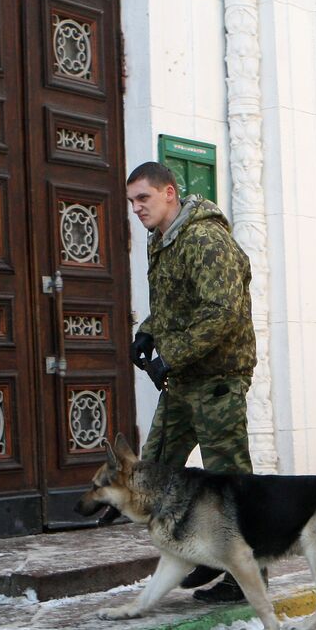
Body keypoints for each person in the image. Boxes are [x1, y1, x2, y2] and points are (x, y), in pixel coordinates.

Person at [124, 161, 258, 602]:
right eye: (132, 202)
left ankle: (243, 576)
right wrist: (148, 330)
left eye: (143, 198)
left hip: (218, 377)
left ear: (169, 192)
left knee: (228, 479)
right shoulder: (161, 239)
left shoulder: (204, 238)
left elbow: (223, 312)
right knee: (156, 470)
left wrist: (170, 355)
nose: (137, 208)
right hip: (185, 378)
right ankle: (200, 552)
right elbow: (174, 303)